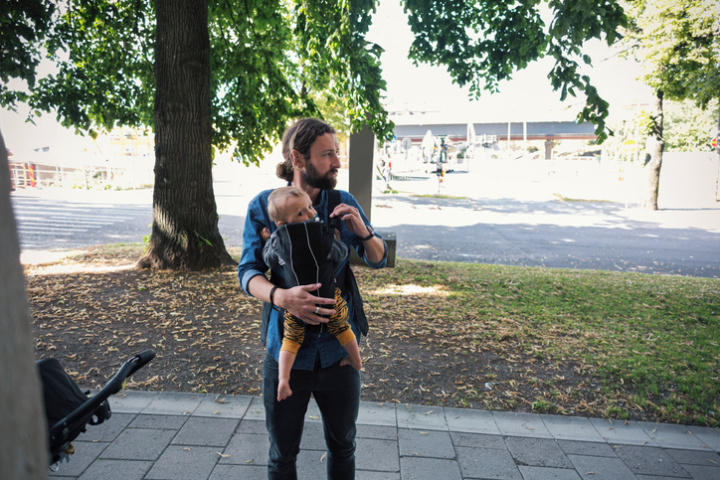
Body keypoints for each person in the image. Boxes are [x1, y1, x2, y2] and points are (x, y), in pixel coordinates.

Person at [238, 117, 388, 479]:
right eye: (327, 155)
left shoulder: (342, 202)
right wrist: (282, 297)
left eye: (337, 154)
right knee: (282, 455)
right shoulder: (264, 205)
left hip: (339, 355)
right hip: (287, 353)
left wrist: (363, 231)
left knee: (343, 447)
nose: (337, 162)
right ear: (298, 158)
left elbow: (379, 258)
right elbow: (248, 273)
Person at [262, 186, 362, 403]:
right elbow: (340, 255)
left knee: (291, 339)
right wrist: (336, 241)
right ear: (283, 221)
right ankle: (356, 360)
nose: (309, 213)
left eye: (309, 207)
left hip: (295, 304)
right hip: (328, 298)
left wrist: (266, 240)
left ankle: (284, 380)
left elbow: (269, 259)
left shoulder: (279, 240)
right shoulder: (322, 234)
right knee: (342, 327)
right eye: (301, 213)